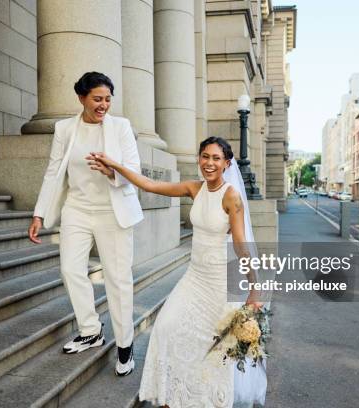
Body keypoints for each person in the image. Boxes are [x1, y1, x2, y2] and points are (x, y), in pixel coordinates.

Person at [87, 136, 262, 407]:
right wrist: (115, 165)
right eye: (205, 156)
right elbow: (151, 184)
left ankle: (210, 401)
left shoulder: (231, 196)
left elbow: (240, 245)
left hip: (218, 282)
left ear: (227, 164)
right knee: (166, 327)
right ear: (199, 159)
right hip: (194, 277)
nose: (209, 163)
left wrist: (254, 286)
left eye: (216, 158)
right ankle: (172, 396)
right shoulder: (194, 188)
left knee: (213, 347)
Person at [28, 72, 143, 377]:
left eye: (107, 99)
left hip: (112, 210)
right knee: (70, 269)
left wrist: (111, 171)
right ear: (81, 98)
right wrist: (40, 214)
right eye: (97, 99)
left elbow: (134, 169)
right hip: (77, 208)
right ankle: (91, 330)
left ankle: (125, 345)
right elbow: (54, 172)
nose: (104, 104)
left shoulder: (121, 127)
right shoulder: (65, 128)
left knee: (118, 279)